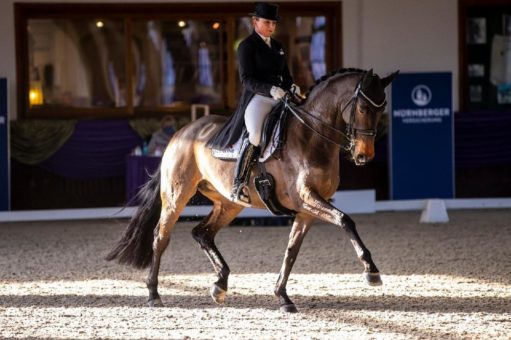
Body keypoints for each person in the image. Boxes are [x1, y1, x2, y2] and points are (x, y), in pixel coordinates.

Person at [206, 2, 300, 201]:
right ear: (255, 21)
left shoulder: (278, 46)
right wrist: (270, 89)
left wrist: (292, 86)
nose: (271, 27)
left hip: (280, 97)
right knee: (255, 135)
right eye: (267, 22)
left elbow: (286, 74)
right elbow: (246, 79)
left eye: (273, 23)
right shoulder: (246, 46)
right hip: (259, 98)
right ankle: (239, 184)